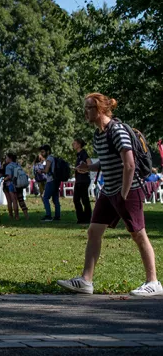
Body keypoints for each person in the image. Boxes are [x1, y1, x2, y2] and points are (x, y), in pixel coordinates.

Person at [58, 93, 161, 297]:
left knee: (138, 234)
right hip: (109, 191)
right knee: (94, 231)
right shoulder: (99, 134)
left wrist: (123, 193)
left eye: (88, 108)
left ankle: (153, 282)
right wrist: (90, 167)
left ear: (100, 109)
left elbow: (129, 164)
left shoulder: (117, 130)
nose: (85, 112)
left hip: (128, 190)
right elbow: (106, 162)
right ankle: (86, 281)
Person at [73, 138, 92, 224]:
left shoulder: (83, 153)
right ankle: (81, 218)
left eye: (75, 143)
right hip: (79, 180)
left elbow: (90, 164)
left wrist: (83, 170)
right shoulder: (78, 155)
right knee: (76, 199)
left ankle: (86, 218)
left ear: (79, 145)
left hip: (83, 180)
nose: (73, 144)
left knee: (84, 199)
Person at [3, 153, 29, 220]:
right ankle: (26, 215)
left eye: (6, 158)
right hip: (19, 184)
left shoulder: (8, 166)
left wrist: (4, 179)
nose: (6, 159)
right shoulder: (18, 165)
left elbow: (9, 176)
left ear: (9, 158)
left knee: (13, 201)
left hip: (12, 184)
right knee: (21, 199)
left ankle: (14, 216)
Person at [39, 145, 61, 222]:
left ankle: (48, 215)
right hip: (56, 180)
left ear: (48, 151)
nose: (42, 154)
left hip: (51, 180)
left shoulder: (49, 158)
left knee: (45, 198)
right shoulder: (53, 158)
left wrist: (41, 171)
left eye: (43, 152)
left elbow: (46, 170)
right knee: (55, 199)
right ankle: (57, 216)